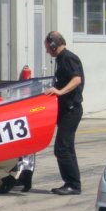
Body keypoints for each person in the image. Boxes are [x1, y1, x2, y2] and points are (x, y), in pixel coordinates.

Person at [43, 31, 84, 195]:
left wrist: (60, 92)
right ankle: (73, 183)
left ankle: (73, 185)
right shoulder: (61, 59)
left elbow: (76, 79)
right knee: (67, 147)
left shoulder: (67, 58)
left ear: (53, 45)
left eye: (47, 48)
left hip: (71, 110)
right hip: (66, 109)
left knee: (62, 148)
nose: (47, 51)